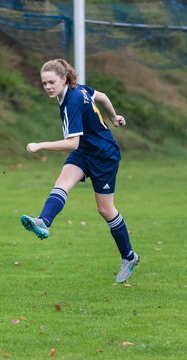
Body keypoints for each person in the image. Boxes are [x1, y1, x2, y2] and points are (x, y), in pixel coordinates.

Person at [20, 59, 139, 283]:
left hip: (104, 155)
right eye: (44, 83)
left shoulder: (72, 101)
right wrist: (113, 116)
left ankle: (129, 257)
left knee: (105, 210)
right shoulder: (77, 89)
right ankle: (44, 221)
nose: (47, 87)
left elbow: (72, 143)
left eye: (51, 82)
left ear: (63, 79)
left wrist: (40, 145)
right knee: (63, 181)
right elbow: (101, 96)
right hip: (85, 152)